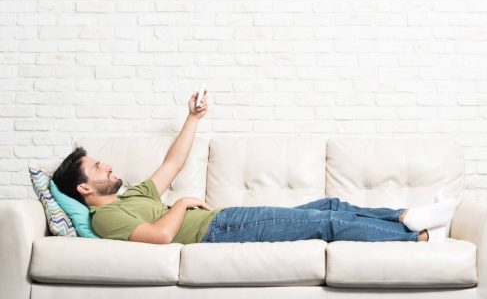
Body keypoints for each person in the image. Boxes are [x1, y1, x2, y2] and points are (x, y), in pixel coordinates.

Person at [52, 89, 459, 245]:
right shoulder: (105, 221)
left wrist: (193, 119)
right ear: (84, 189)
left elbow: (173, 162)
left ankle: (406, 215)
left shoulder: (134, 194)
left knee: (331, 205)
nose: (108, 168)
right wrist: (184, 204)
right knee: (326, 225)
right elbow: (160, 237)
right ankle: (419, 239)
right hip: (219, 230)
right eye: (98, 168)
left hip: (227, 218)